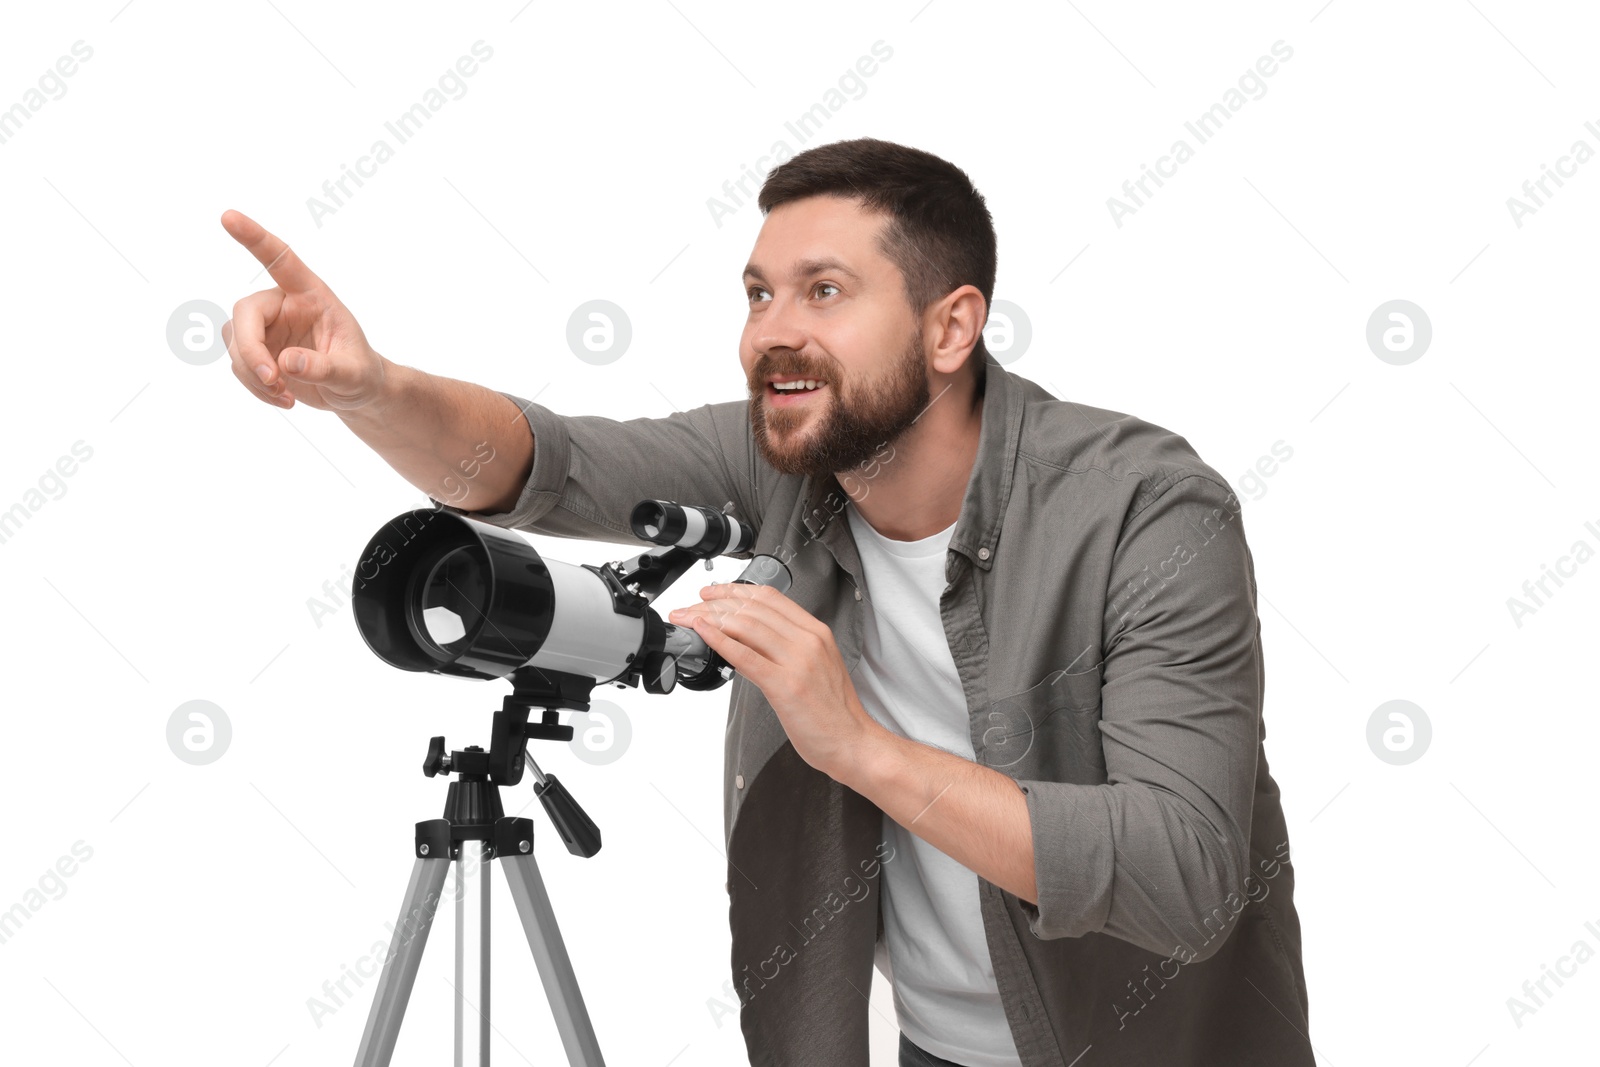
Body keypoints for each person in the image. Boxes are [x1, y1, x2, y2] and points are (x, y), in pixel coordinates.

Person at [222, 137, 1313, 1067]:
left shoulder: (1149, 509)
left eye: (823, 291)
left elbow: (1185, 870)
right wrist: (368, 390)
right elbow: (543, 466)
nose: (769, 332)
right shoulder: (782, 460)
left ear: (950, 328)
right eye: (757, 294)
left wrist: (857, 743)